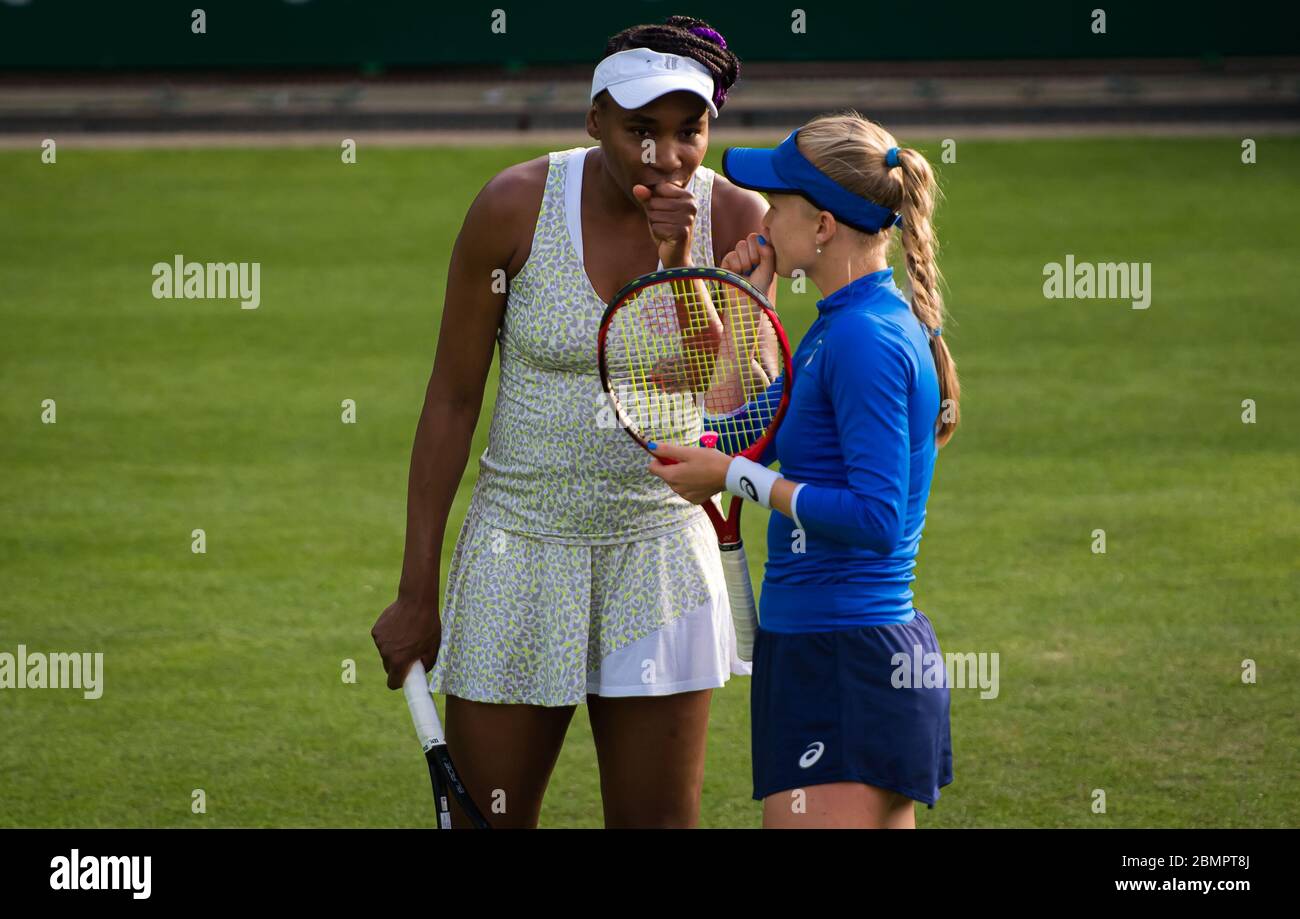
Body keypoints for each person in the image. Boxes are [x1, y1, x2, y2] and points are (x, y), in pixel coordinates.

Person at [371, 16, 774, 828]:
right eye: (639, 130)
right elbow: (451, 400)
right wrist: (417, 590)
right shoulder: (513, 206)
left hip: (659, 560)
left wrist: (679, 265)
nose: (666, 156)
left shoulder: (737, 219)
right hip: (516, 554)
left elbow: (730, 403)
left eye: (687, 131)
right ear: (594, 120)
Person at [647, 112, 958, 828]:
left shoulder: (865, 339)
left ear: (821, 226)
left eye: (777, 204)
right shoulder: (835, 323)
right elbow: (746, 433)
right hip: (825, 651)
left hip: (846, 659)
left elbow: (875, 518)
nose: (763, 216)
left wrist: (732, 478)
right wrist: (747, 304)